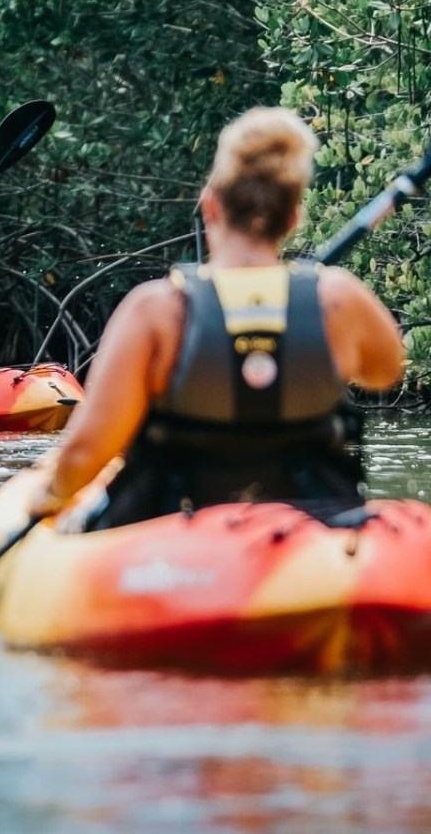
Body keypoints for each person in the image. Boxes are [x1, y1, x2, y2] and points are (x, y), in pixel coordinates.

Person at [27, 106, 405, 528]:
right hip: (312, 527)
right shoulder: (338, 298)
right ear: (294, 218)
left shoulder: (156, 309)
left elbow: (87, 451)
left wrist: (47, 497)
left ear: (210, 207)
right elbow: (383, 374)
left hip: (175, 527)